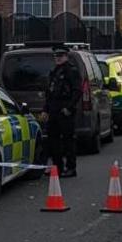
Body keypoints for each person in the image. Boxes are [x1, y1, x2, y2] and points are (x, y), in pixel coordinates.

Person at [44, 44, 83, 178]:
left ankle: (71, 168)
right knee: (53, 140)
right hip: (54, 109)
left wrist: (69, 108)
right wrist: (46, 110)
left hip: (65, 109)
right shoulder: (54, 71)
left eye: (61, 56)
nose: (58, 58)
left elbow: (77, 91)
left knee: (68, 140)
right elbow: (49, 93)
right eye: (56, 56)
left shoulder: (71, 71)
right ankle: (57, 167)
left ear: (66, 56)